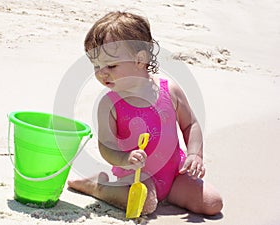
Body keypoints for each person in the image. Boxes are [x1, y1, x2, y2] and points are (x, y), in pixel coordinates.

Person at [68, 11, 223, 216]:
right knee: (146, 204)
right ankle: (98, 186)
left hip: (175, 174)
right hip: (135, 175)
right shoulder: (109, 104)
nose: (102, 72)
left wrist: (195, 154)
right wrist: (124, 159)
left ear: (140, 59)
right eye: (96, 66)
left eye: (111, 65)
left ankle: (166, 193)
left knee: (213, 203)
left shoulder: (170, 91)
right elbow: (106, 146)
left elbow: (190, 124)